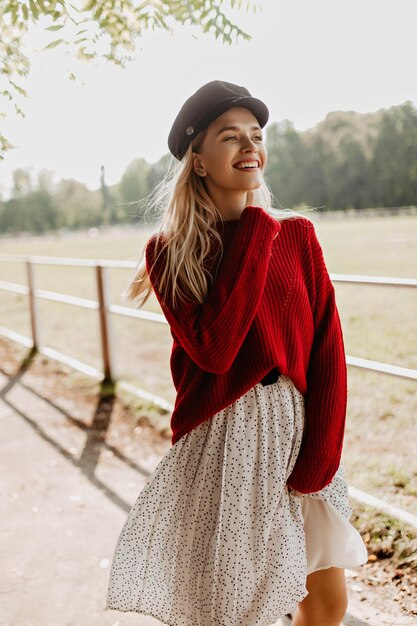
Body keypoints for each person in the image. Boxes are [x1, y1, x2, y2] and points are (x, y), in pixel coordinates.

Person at [105, 80, 368, 626]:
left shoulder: (298, 236)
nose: (250, 147)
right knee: (228, 611)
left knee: (325, 603)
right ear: (199, 161)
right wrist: (252, 225)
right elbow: (217, 350)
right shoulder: (170, 253)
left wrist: (323, 451)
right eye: (231, 137)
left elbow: (328, 351)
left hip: (297, 432)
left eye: (256, 135)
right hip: (222, 444)